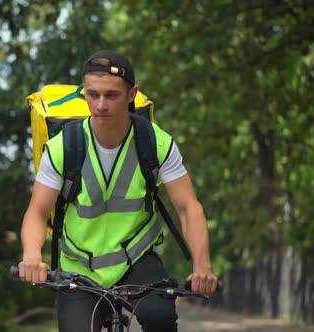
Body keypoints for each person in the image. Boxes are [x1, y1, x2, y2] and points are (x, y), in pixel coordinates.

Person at [18, 50, 218, 331]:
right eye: (92, 94)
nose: (100, 105)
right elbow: (37, 212)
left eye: (111, 95)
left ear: (131, 94)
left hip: (136, 259)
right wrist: (31, 257)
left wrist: (203, 266)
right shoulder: (64, 147)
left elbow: (189, 208)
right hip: (80, 265)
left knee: (160, 317)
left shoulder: (155, 143)